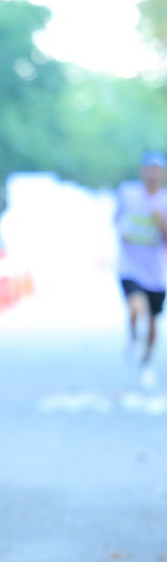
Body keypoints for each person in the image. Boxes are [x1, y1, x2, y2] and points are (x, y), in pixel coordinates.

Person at [115, 149, 167, 388]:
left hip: (156, 272)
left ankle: (146, 360)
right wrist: (123, 232)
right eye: (149, 169)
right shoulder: (128, 194)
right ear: (142, 171)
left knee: (154, 322)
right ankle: (134, 335)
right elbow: (116, 220)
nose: (152, 174)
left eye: (157, 170)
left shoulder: (164, 202)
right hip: (130, 267)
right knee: (136, 306)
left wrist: (161, 222)